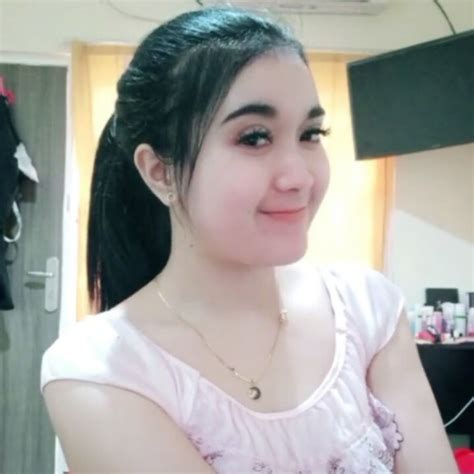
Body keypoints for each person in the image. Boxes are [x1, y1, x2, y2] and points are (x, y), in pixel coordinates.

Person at [40, 6, 457, 473]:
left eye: (310, 133)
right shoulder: (103, 368)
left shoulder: (368, 309)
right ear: (160, 171)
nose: (299, 177)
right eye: (255, 138)